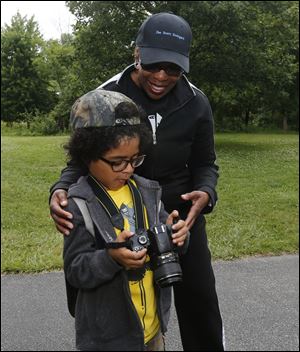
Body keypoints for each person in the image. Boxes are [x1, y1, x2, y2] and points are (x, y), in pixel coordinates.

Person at [50, 12, 224, 351]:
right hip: (119, 212)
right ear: (136, 53)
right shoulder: (104, 97)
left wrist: (206, 193)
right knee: (114, 300)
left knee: (200, 302)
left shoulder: (196, 102)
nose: (161, 76)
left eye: (173, 69)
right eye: (154, 64)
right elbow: (81, 160)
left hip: (177, 216)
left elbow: (206, 164)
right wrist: (59, 189)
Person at [62, 88, 189, 351]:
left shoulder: (148, 191)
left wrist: (177, 234)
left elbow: (170, 236)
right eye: (118, 162)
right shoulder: (79, 203)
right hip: (108, 338)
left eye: (134, 160)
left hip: (153, 329)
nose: (129, 169)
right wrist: (110, 259)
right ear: (87, 155)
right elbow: (75, 270)